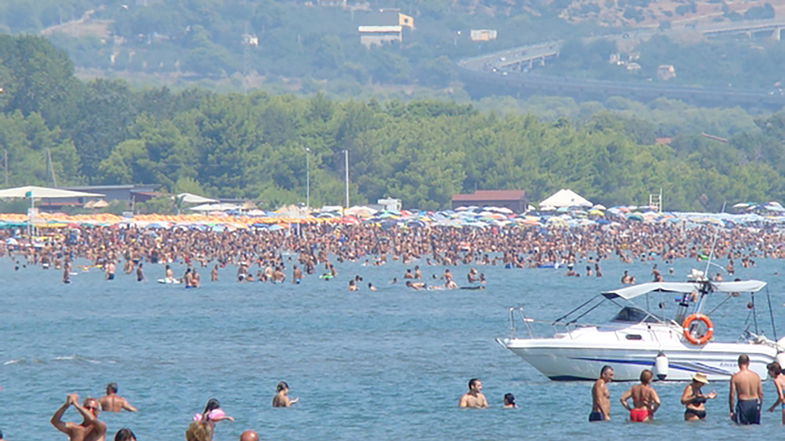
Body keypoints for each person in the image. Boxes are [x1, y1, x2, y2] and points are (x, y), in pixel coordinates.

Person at [729, 354, 763, 425]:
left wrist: (732, 411)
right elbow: (761, 394)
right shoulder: (756, 376)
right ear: (748, 363)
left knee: (742, 427)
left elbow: (732, 395)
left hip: (743, 404)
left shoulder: (735, 377)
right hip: (755, 403)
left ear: (738, 363)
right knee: (755, 427)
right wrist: (760, 407)